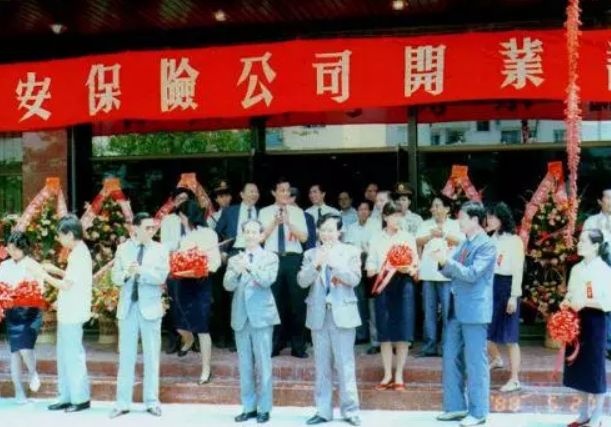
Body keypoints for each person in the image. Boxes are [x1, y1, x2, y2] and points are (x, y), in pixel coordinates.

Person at [431, 201, 496, 427]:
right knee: (450, 356)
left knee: (476, 361)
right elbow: (451, 270)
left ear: (475, 220)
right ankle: (456, 406)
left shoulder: (486, 245)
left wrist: (446, 261)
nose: (459, 221)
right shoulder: (465, 243)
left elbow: (472, 273)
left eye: (462, 218)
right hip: (456, 307)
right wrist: (443, 262)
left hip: (475, 309)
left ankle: (478, 412)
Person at [298, 214, 362, 427]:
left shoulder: (351, 251)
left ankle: (350, 410)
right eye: (323, 230)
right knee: (322, 366)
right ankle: (323, 411)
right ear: (318, 231)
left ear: (339, 232)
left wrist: (335, 265)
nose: (327, 234)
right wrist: (316, 264)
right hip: (318, 315)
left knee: (345, 365)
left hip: (342, 314)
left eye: (331, 230)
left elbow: (355, 279)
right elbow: (302, 281)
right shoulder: (310, 254)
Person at [109, 212, 170, 418]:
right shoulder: (123, 249)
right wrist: (127, 273)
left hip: (150, 308)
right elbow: (115, 278)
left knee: (152, 356)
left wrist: (141, 271)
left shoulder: (160, 249)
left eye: (153, 228)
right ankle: (122, 403)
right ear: (135, 228)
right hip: (128, 309)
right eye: (147, 228)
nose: (151, 231)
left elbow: (161, 276)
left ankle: (152, 401)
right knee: (126, 357)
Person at [224, 219, 280, 425]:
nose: (250, 235)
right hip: (241, 316)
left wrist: (249, 267)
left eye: (254, 232)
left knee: (264, 364)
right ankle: (248, 407)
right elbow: (227, 285)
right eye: (246, 232)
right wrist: (237, 272)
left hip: (261, 316)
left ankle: (264, 408)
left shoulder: (270, 257)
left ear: (261, 235)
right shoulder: (234, 259)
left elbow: (267, 280)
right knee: (245, 364)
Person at [38, 215, 92, 413]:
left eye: (60, 235)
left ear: (70, 234)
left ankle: (80, 398)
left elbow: (67, 285)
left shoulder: (79, 254)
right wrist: (55, 270)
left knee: (73, 356)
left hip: (73, 312)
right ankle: (67, 396)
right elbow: (72, 278)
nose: (59, 239)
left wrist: (44, 275)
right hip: (68, 311)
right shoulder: (77, 252)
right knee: (64, 356)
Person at [366, 201, 419, 391]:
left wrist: (408, 268)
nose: (397, 219)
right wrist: (374, 269)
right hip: (383, 286)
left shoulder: (408, 237)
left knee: (403, 332)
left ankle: (399, 375)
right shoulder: (376, 238)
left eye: (399, 216)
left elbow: (415, 264)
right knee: (385, 332)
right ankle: (387, 374)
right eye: (393, 216)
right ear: (385, 217)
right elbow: (370, 265)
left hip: (404, 285)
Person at [560, 229, 611, 427]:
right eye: (579, 241)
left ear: (595, 246)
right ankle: (583, 413)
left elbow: (607, 302)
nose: (579, 244)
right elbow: (571, 293)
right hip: (576, 320)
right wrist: (566, 301)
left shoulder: (604, 270)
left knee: (595, 368)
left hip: (596, 321)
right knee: (579, 367)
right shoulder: (576, 268)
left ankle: (597, 415)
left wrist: (586, 303)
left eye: (583, 241)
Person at [259, 178, 309, 358]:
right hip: (272, 258)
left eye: (288, 190)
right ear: (274, 192)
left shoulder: (297, 212)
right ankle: (275, 344)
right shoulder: (264, 212)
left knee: (297, 303)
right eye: (282, 190)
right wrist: (274, 223)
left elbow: (304, 238)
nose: (286, 193)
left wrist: (288, 223)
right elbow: (260, 238)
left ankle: (298, 346)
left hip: (293, 258)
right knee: (274, 302)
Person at [174, 200, 221, 384]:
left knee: (202, 327)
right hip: (183, 283)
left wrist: (201, 267)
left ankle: (206, 369)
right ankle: (188, 339)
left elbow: (216, 262)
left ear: (189, 215)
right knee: (180, 324)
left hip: (202, 283)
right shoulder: (184, 237)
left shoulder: (209, 234)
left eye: (181, 216)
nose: (180, 220)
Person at [416, 195, 463, 357]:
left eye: (437, 206)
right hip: (428, 274)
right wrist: (431, 235)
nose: (434, 209)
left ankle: (446, 346)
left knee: (447, 312)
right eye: (433, 206)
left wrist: (443, 234)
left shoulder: (455, 224)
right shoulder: (425, 224)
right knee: (428, 312)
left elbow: (462, 242)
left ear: (447, 209)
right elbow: (417, 242)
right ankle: (429, 346)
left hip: (447, 275)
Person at [485, 202, 525, 393]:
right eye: (488, 217)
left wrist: (513, 296)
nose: (489, 220)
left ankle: (515, 379)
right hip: (491, 286)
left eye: (492, 217)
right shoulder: (490, 239)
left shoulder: (515, 240)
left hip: (508, 286)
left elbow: (518, 270)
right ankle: (496, 359)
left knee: (510, 337)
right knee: (486, 331)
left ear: (502, 218)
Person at [0, 232, 42, 404]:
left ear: (24, 248)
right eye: (9, 249)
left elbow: (40, 289)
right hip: (12, 312)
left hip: (30, 312)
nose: (12, 252)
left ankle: (33, 372)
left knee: (25, 348)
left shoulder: (33, 265)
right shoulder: (4, 266)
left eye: (15, 249)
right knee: (15, 352)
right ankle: (19, 392)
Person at [160, 187, 195, 355]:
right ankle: (175, 338)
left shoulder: (196, 218)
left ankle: (192, 339)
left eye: (186, 199)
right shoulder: (168, 220)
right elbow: (165, 245)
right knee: (174, 303)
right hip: (174, 266)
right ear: (174, 202)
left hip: (193, 267)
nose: (182, 202)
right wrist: (181, 244)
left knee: (191, 303)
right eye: (179, 199)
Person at [343, 200, 378, 353]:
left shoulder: (375, 225)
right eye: (360, 209)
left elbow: (374, 248)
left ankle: (375, 339)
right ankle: (361, 334)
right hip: (356, 267)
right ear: (356, 211)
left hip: (371, 267)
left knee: (372, 304)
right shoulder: (351, 228)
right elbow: (348, 248)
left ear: (369, 212)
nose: (363, 212)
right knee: (358, 301)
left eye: (366, 209)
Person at [582, 187, 611, 361]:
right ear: (600, 201)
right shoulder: (592, 221)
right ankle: (603, 345)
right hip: (598, 267)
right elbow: (585, 245)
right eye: (608, 198)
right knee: (600, 304)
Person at [215, 182, 260, 255]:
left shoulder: (261, 212)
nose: (254, 194)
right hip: (235, 251)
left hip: (256, 252)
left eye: (257, 192)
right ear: (242, 195)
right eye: (251, 191)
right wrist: (222, 252)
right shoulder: (229, 211)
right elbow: (217, 232)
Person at [291, 187, 317, 251]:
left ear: (293, 198)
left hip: (301, 254)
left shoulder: (307, 217)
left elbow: (311, 243)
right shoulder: (280, 216)